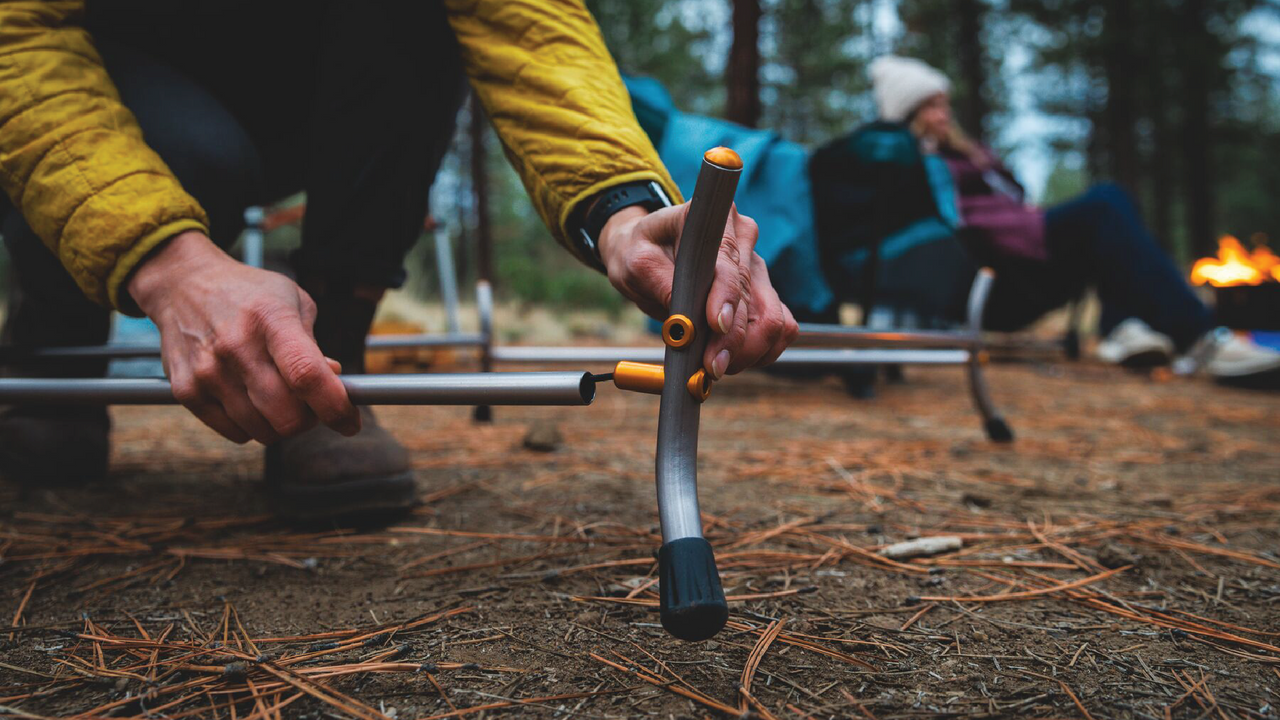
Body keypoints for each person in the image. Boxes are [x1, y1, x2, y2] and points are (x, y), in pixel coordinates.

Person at [0, 1, 797, 520]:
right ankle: (55, 339)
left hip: (301, 83)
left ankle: (326, 366)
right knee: (197, 153)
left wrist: (623, 211)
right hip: (111, 67)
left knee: (418, 19)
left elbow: (526, 24)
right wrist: (170, 261)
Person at [858, 55, 1280, 381]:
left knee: (1109, 216)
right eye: (929, 107)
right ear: (905, 114)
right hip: (990, 284)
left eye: (944, 104)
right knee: (1105, 204)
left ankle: (1125, 329)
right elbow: (949, 226)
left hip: (1023, 263)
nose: (943, 115)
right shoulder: (910, 166)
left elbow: (1011, 199)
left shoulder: (967, 154)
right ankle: (1200, 338)